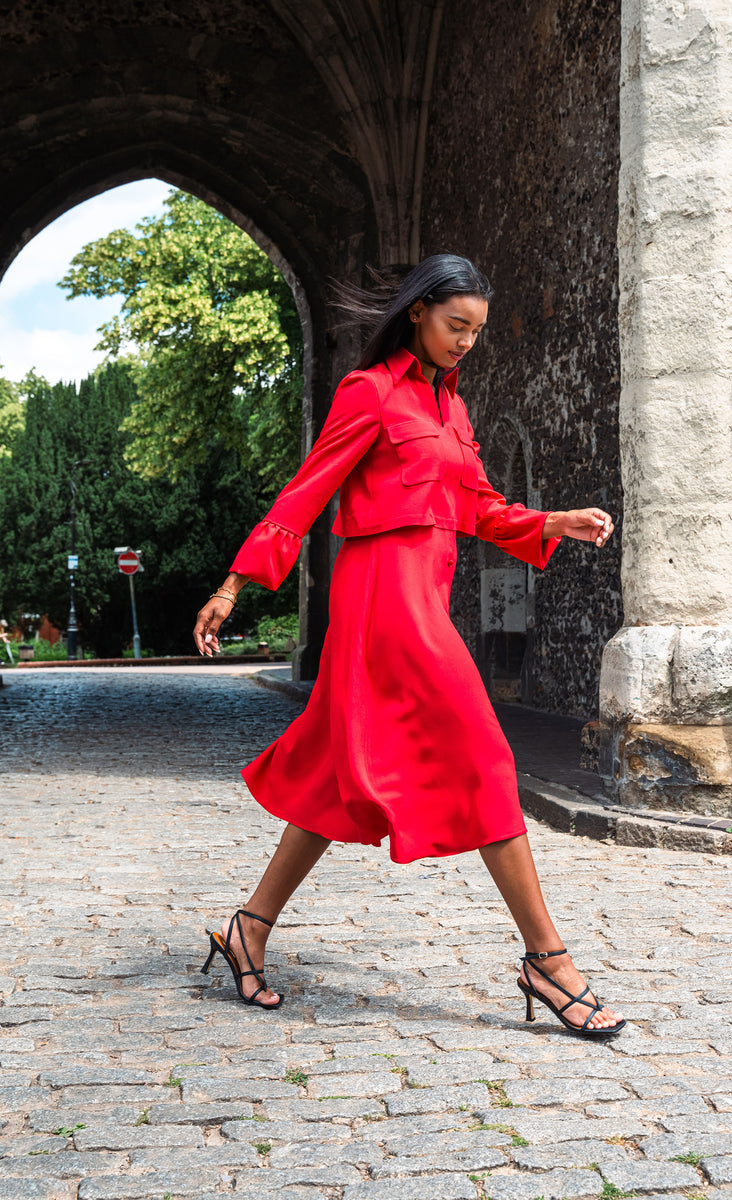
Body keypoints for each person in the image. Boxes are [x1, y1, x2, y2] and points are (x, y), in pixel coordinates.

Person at [193, 254, 625, 1038]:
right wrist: (235, 583)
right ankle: (547, 959)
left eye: (477, 332)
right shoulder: (370, 392)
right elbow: (308, 489)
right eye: (456, 325)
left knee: (336, 779)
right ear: (419, 313)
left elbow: (482, 508)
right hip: (381, 601)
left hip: (422, 597)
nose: (466, 342)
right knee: (488, 758)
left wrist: (551, 523)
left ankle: (247, 929)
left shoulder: (452, 410)